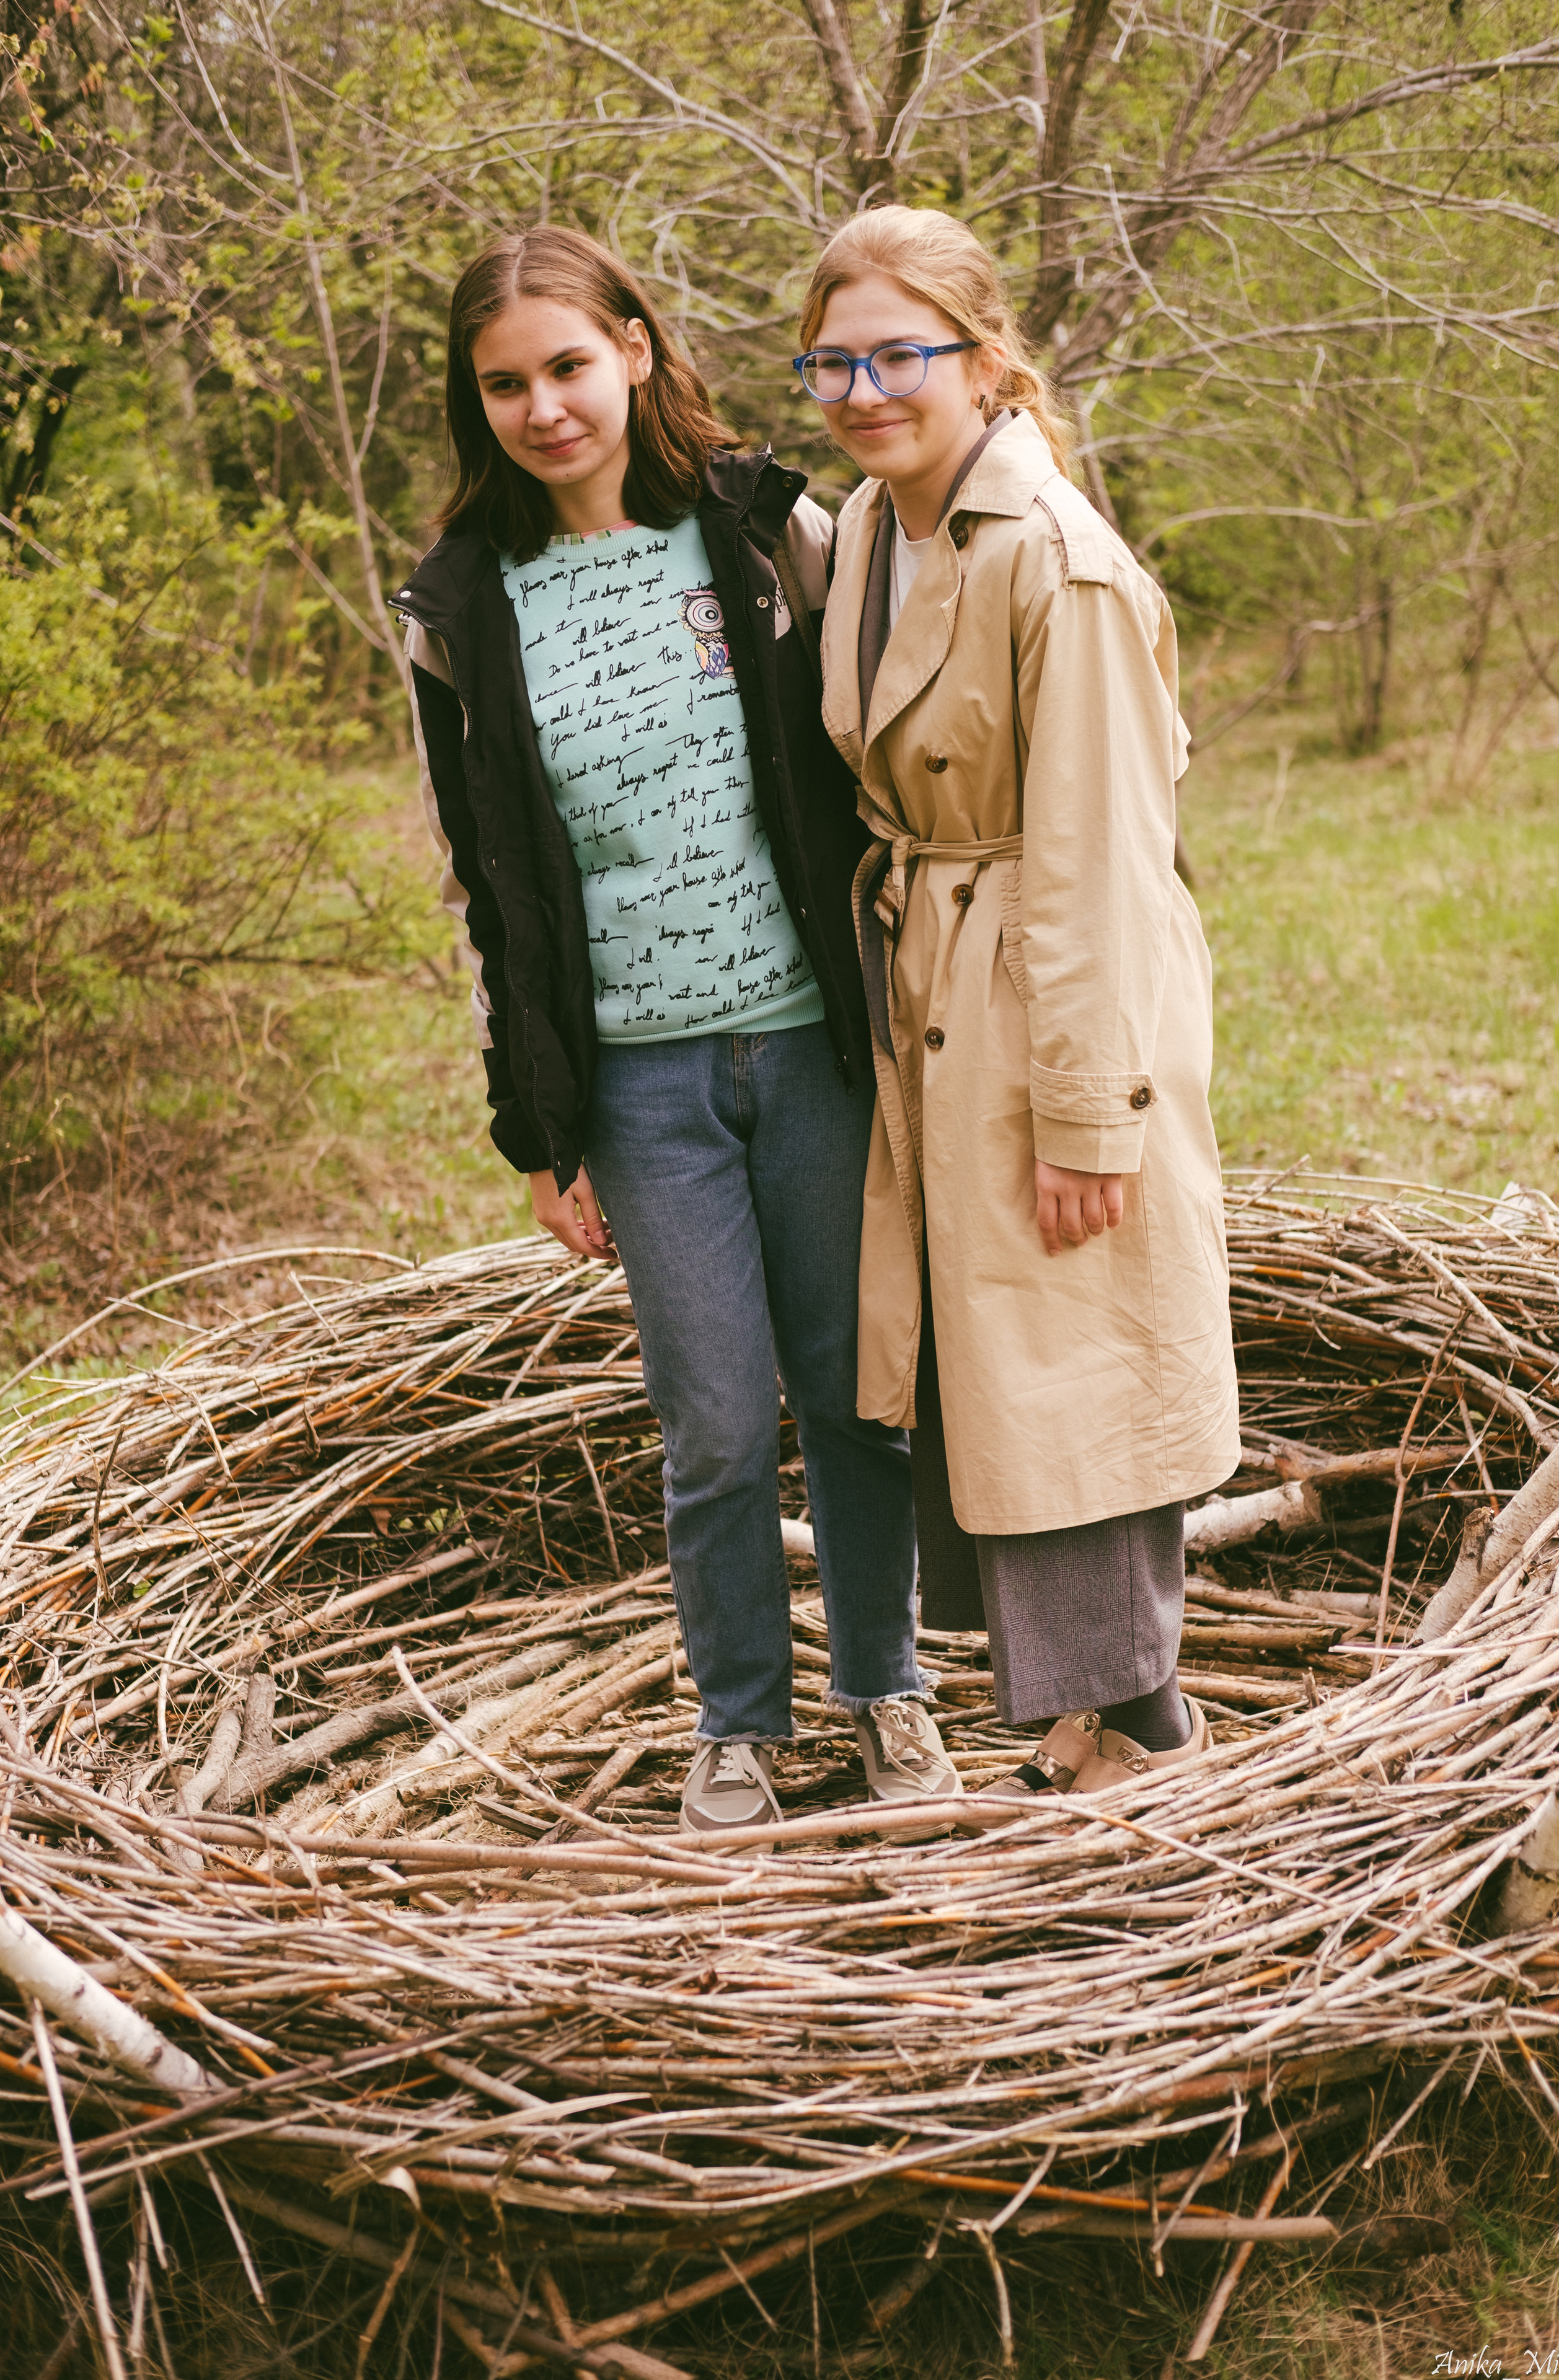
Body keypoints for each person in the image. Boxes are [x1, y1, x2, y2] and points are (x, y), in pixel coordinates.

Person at [391, 225, 961, 1836]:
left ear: (636, 349)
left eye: (569, 365)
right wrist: (540, 1133)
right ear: (476, 403)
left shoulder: (775, 532)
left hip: (816, 1052)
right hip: (644, 1091)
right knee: (713, 1423)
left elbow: (902, 740)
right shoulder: (464, 611)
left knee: (857, 1396)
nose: (544, 407)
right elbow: (490, 891)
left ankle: (889, 1697)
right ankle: (739, 1728)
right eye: (504, 383)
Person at [793, 206, 1241, 1814]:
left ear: (984, 362)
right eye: (834, 358)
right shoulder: (865, 530)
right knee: (991, 1362)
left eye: (900, 353)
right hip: (933, 969)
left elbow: (1106, 864)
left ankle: (1146, 1729)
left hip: (1056, 981)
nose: (862, 387)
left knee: (1078, 1354)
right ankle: (1077, 1710)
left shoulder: (1063, 562)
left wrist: (1085, 1111)